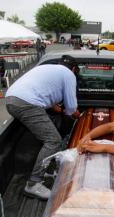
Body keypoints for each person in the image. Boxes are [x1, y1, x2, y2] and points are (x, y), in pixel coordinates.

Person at [5, 55, 81, 200]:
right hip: (27, 103)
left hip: (11, 99)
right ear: (73, 69)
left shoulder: (47, 69)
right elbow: (71, 107)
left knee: (48, 135)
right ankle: (33, 183)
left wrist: (61, 110)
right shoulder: (69, 75)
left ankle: (43, 168)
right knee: (53, 140)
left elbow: (48, 97)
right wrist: (78, 114)